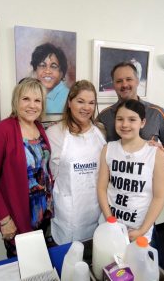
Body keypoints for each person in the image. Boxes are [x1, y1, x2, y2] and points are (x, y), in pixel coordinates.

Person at [0, 78, 54, 258]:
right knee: (22, 268)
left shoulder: (38, 127)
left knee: (41, 265)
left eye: (37, 100)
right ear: (16, 101)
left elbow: (43, 169)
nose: (32, 105)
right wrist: (5, 220)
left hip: (43, 215)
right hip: (18, 218)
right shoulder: (1, 131)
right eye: (26, 99)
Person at [97, 99, 164, 243]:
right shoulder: (108, 149)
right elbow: (102, 188)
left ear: (142, 123)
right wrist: (110, 219)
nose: (125, 124)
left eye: (132, 119)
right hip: (110, 224)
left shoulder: (155, 153)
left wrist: (142, 230)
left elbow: (159, 197)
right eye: (120, 119)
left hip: (139, 229)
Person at [46, 80, 106, 245]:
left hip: (95, 206)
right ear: (69, 102)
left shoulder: (101, 131)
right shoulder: (53, 133)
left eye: (91, 103)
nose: (86, 107)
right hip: (67, 210)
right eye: (80, 101)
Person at [97, 61, 164, 159]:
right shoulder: (103, 116)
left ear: (137, 81)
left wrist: (159, 158)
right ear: (113, 84)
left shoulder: (157, 113)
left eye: (129, 79)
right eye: (119, 81)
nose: (124, 84)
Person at [30, 42, 69, 114]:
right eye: (42, 65)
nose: (47, 71)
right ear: (35, 70)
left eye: (53, 66)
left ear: (62, 73)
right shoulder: (31, 93)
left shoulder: (68, 97)